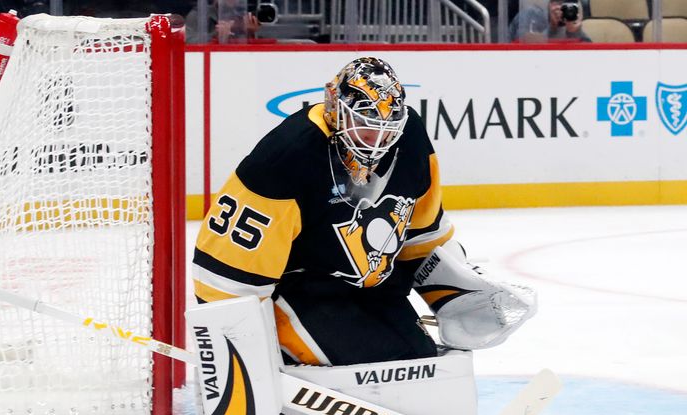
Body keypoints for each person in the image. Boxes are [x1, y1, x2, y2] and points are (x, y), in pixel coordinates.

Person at [192, 57, 453, 367]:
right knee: (369, 363)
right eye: (364, 123)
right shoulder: (287, 157)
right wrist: (238, 363)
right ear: (335, 108)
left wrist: (457, 298)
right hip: (299, 291)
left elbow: (424, 237)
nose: (376, 139)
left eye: (386, 129)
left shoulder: (410, 139)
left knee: (418, 361)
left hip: (372, 291)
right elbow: (223, 275)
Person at [509, 0, 592, 43]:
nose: (562, 8)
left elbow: (591, 53)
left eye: (566, 3)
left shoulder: (572, 17)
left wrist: (575, 32)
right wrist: (552, 28)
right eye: (557, 2)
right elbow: (523, 44)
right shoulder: (531, 14)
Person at [185, 0, 261, 43]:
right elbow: (187, 41)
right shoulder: (199, 14)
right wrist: (215, 36)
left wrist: (250, 34)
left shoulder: (244, 16)